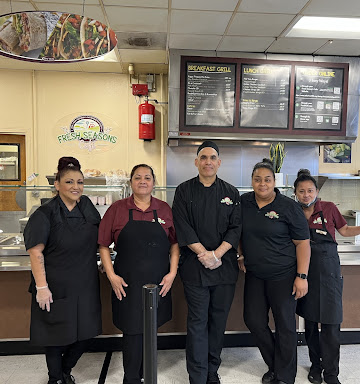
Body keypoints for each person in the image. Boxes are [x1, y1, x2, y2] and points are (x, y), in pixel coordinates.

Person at [294, 169, 360, 384]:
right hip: (304, 272)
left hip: (329, 271)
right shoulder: (292, 210)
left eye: (310, 190)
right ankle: (316, 366)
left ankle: (331, 372)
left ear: (316, 191)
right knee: (310, 322)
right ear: (295, 193)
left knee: (331, 324)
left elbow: (345, 231)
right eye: (301, 191)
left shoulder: (329, 208)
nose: (306, 195)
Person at [98, 164, 179, 384]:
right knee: (132, 330)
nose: (142, 181)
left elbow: (174, 245)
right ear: (131, 182)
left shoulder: (164, 209)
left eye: (147, 177)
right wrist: (112, 276)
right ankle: (131, 377)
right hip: (127, 281)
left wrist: (172, 273)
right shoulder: (117, 209)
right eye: (137, 177)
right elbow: (103, 245)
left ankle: (146, 374)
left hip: (158, 280)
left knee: (151, 328)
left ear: (154, 182)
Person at [24, 157, 102, 384]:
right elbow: (36, 252)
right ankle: (56, 378)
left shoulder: (86, 205)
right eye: (69, 182)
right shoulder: (44, 213)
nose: (75, 187)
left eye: (80, 182)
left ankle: (66, 368)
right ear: (57, 184)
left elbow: (100, 236)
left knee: (87, 333)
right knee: (55, 336)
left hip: (85, 282)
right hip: (55, 285)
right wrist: (41, 287)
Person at [172, 141, 242, 384]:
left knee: (218, 321)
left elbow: (236, 228)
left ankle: (212, 370)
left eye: (213, 158)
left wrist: (217, 254)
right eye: (203, 157)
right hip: (194, 267)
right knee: (197, 322)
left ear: (219, 163)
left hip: (224, 268)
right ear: (196, 162)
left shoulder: (231, 192)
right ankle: (198, 375)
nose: (208, 162)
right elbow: (182, 225)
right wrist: (204, 254)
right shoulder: (183, 191)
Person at [237, 159, 311, 384]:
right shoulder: (243, 203)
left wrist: (302, 276)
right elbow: (236, 231)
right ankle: (275, 365)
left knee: (285, 326)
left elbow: (303, 243)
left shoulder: (288, 207)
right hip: (255, 275)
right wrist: (240, 254)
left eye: (267, 179)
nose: (262, 184)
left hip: (284, 275)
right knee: (253, 320)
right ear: (252, 181)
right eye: (257, 179)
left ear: (274, 181)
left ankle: (285, 376)